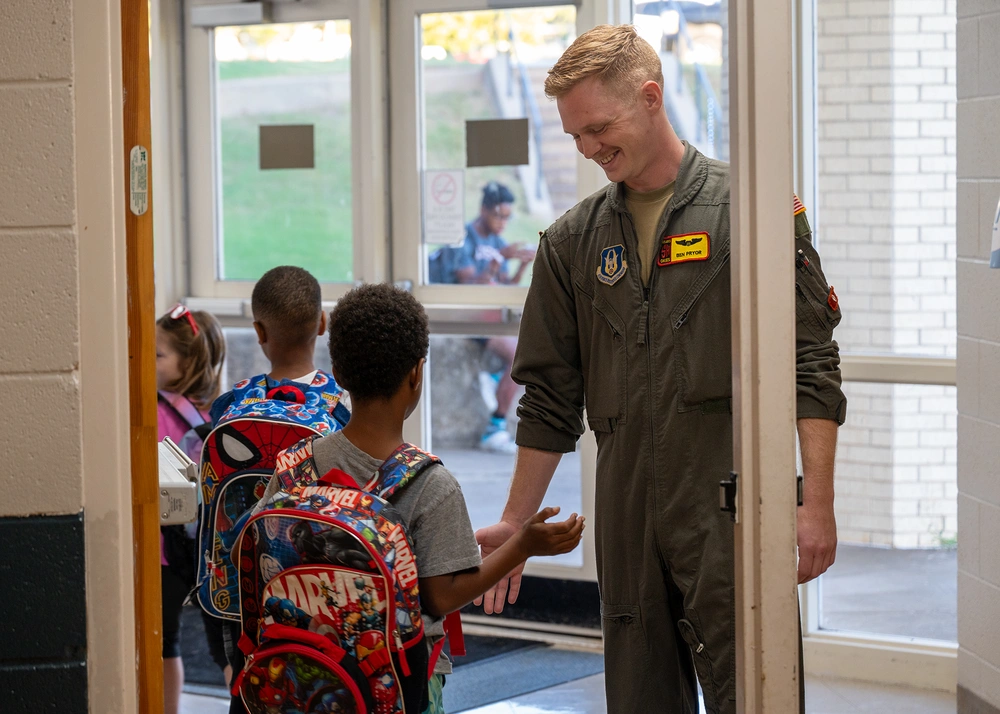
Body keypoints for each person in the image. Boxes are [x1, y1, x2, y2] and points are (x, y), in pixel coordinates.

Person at [473, 25, 847, 714]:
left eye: (599, 128)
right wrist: (516, 527)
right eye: (574, 135)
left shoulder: (755, 214)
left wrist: (815, 502)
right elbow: (550, 398)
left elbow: (812, 361)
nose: (588, 149)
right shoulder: (570, 243)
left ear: (651, 97)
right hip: (628, 519)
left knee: (758, 696)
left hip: (733, 512)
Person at [232, 283, 585, 714]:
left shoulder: (294, 465)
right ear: (416, 374)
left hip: (299, 676)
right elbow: (442, 597)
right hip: (398, 681)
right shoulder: (430, 485)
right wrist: (521, 546)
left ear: (338, 374)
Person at [155, 304, 226, 714]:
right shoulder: (213, 412)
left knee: (165, 642)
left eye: (158, 355)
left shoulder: (154, 414)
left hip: (168, 553)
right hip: (210, 550)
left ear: (190, 361)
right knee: (224, 648)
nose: (148, 361)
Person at [433, 182, 538, 453]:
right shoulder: (463, 239)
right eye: (498, 215)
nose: (503, 223)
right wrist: (498, 258)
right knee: (519, 357)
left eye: (507, 217)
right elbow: (472, 289)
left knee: (530, 343)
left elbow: (506, 286)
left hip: (487, 316)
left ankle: (494, 379)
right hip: (460, 316)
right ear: (483, 210)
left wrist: (522, 263)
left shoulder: (495, 241)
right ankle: (495, 428)